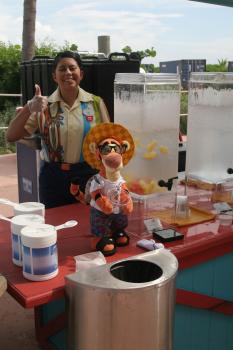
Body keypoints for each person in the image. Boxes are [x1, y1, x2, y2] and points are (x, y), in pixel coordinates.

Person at [6, 51, 110, 208]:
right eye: (62, 69)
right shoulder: (43, 106)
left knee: (88, 224)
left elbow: (110, 142)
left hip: (89, 175)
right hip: (53, 176)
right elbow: (11, 136)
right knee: (54, 224)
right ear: (54, 76)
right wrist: (29, 108)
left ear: (80, 74)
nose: (68, 72)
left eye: (72, 68)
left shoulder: (95, 103)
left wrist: (111, 178)